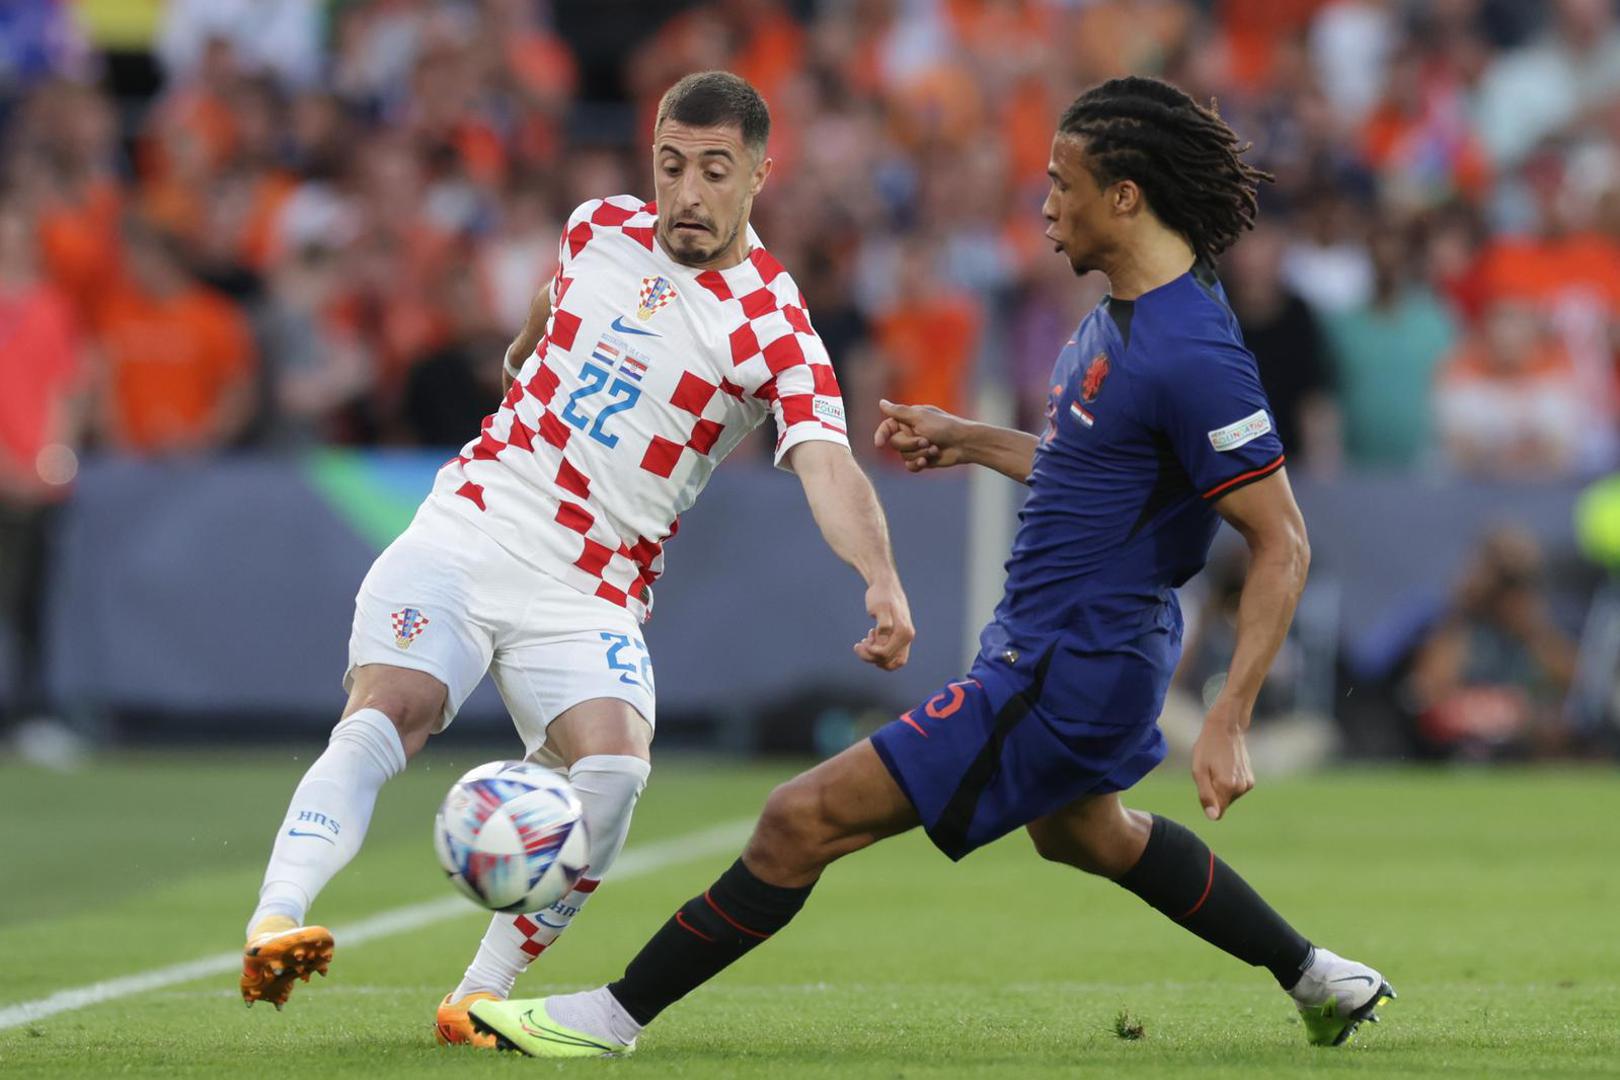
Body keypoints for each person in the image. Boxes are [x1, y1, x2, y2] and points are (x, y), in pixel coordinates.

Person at [469, 76, 1393, 1058]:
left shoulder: (1193, 351)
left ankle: (608, 1019)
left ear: (1125, 196)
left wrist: (1229, 714)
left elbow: (1281, 539)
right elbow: (1099, 474)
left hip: (1065, 664)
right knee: (1091, 834)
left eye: (1061, 183)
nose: (1044, 205)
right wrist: (973, 440)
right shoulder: (1124, 311)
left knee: (799, 817)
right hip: (1073, 651)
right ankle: (1316, 975)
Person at [237, 73, 916, 1042]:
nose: (687, 191)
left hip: (593, 584)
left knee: (616, 767)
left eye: (714, 171)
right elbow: (551, 310)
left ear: (761, 174)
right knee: (395, 708)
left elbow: (827, 463)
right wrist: (521, 360)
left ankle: (477, 994)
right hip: (474, 521)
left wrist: (879, 576)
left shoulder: (776, 327)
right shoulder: (599, 224)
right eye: (671, 164)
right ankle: (276, 918)